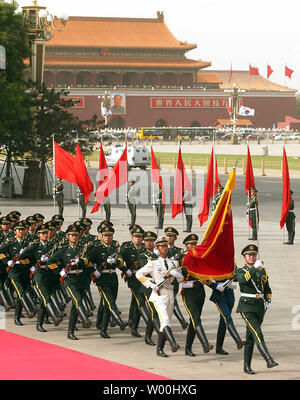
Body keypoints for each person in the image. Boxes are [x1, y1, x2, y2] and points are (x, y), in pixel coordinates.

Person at [136, 235, 184, 357]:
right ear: (157, 248)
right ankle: (173, 344)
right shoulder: (153, 263)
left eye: (166, 246)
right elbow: (139, 274)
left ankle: (160, 349)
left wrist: (177, 275)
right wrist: (150, 285)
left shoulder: (173, 262)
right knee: (165, 320)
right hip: (158, 295)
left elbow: (181, 280)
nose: (164, 248)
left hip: (170, 294)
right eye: (162, 246)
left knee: (165, 323)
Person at [235, 244, 278, 374]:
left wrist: (268, 299)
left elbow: (267, 288)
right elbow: (243, 280)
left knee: (250, 337)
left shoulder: (262, 271)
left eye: (254, 255)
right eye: (249, 255)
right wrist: (254, 267)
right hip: (246, 306)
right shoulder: (240, 271)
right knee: (257, 332)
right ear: (244, 257)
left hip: (260, 306)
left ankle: (246, 366)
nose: (252, 257)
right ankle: (268, 359)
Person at [47, 225, 95, 340]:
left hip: (81, 279)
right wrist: (60, 271)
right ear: (68, 236)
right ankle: (85, 319)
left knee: (75, 306)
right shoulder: (63, 249)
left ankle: (70, 331)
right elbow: (50, 261)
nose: (74, 237)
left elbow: (88, 259)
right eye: (72, 235)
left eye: (76, 235)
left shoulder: (82, 249)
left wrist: (81, 260)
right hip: (70, 280)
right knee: (77, 299)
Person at [85, 225, 127, 338]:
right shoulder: (96, 247)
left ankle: (102, 326)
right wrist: (94, 271)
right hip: (101, 278)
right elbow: (87, 260)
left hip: (112, 277)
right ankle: (118, 322)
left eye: (110, 235)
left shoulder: (114, 247)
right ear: (101, 236)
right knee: (110, 302)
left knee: (108, 303)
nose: (107, 238)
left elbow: (121, 260)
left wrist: (115, 261)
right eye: (105, 236)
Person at [180, 234, 214, 356]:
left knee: (194, 321)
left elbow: (205, 275)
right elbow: (177, 278)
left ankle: (188, 348)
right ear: (186, 246)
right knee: (196, 319)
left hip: (200, 293)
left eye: (195, 244)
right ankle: (205, 344)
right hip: (188, 294)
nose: (193, 246)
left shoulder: (200, 258)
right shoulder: (182, 258)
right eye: (191, 244)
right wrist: (187, 284)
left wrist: (215, 285)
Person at [164, 227, 188, 330]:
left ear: (175, 238)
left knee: (171, 299)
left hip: (174, 280)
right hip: (163, 279)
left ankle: (178, 321)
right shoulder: (160, 249)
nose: (169, 238)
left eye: (171, 236)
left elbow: (183, 264)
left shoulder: (179, 251)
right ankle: (181, 320)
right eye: (167, 235)